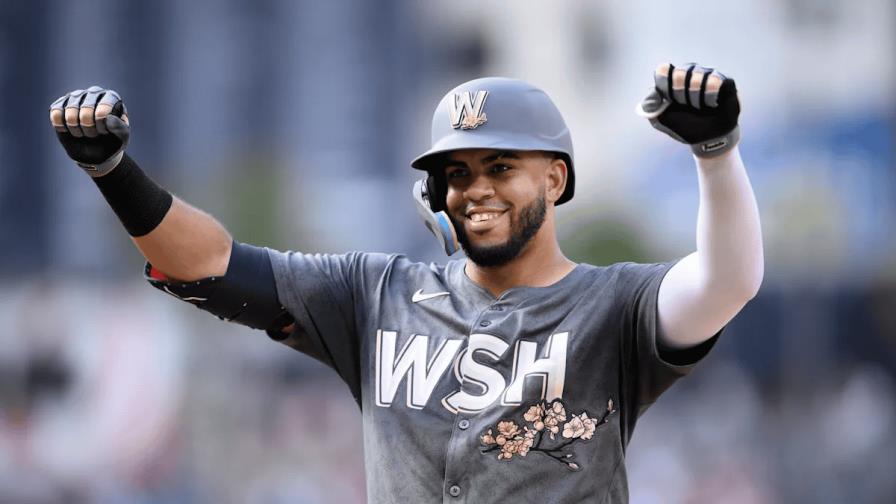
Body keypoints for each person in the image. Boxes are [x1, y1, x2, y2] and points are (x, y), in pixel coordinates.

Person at [49, 63, 763, 503]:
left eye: (500, 167)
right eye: (457, 172)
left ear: (555, 178)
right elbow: (210, 266)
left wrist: (715, 154)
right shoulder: (375, 295)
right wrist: (114, 173)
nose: (476, 189)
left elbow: (727, 281)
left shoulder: (614, 304)